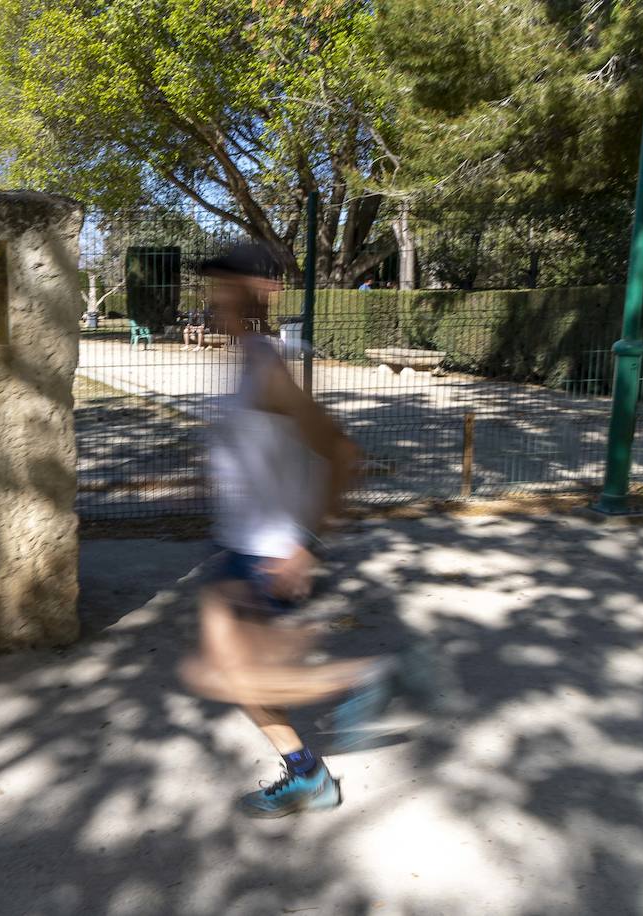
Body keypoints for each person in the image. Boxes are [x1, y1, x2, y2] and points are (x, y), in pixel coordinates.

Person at [182, 243, 395, 818]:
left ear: (262, 292)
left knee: (228, 674)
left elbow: (342, 453)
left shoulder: (270, 371)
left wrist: (306, 546)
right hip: (240, 544)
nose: (215, 299)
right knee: (236, 675)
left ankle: (365, 682)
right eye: (212, 287)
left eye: (226, 286)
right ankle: (307, 773)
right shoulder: (242, 360)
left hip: (269, 553)